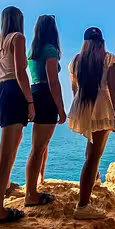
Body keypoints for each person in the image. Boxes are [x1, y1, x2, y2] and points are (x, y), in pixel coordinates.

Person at [68, 27, 115, 220]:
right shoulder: (109, 59)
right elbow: (113, 88)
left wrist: (81, 110)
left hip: (82, 105)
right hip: (100, 107)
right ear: (101, 42)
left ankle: (95, 180)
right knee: (94, 156)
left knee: (91, 150)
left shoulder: (76, 61)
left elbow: (74, 88)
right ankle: (83, 206)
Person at [0, 6, 34, 224]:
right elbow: (20, 72)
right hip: (13, 92)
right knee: (6, 157)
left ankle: (5, 188)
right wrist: (30, 101)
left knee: (6, 150)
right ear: (19, 21)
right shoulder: (18, 38)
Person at [25, 15, 66, 207]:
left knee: (41, 144)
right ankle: (31, 194)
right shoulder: (50, 50)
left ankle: (40, 180)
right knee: (39, 147)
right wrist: (61, 108)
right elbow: (53, 82)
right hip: (46, 95)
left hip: (35, 92)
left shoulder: (32, 52)